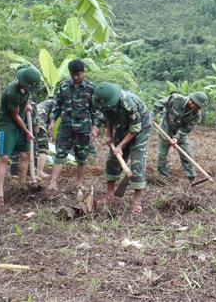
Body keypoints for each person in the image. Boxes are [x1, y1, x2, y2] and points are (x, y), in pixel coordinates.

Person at [92, 82, 152, 212]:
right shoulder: (101, 102)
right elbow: (107, 118)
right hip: (121, 126)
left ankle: (137, 202)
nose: (105, 107)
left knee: (137, 162)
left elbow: (135, 129)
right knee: (113, 160)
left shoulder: (127, 102)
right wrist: (109, 135)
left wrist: (120, 146)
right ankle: (109, 195)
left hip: (141, 128)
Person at [48, 59, 100, 199]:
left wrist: (95, 127)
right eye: (73, 75)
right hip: (65, 128)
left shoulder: (91, 87)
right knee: (60, 155)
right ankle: (53, 183)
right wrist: (52, 120)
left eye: (78, 74)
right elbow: (58, 105)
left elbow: (95, 110)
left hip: (83, 130)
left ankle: (79, 184)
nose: (75, 77)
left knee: (82, 158)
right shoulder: (64, 86)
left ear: (83, 72)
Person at [0, 65, 41, 206]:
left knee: (26, 154)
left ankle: (22, 184)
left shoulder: (25, 87)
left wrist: (27, 105)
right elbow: (15, 116)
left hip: (19, 125)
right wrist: (27, 131)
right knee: (4, 157)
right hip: (7, 126)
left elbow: (25, 98)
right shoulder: (11, 93)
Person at [152, 91, 208, 182]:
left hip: (180, 133)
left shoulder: (196, 115)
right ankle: (163, 177)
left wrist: (176, 137)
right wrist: (152, 116)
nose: (199, 109)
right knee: (162, 156)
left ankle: (192, 178)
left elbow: (186, 129)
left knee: (187, 155)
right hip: (166, 129)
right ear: (191, 102)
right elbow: (158, 104)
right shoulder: (176, 99)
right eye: (198, 106)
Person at [36, 95, 57, 178]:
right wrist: (50, 132)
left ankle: (32, 171)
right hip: (40, 125)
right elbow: (52, 118)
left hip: (30, 125)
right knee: (43, 149)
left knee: (33, 149)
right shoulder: (53, 103)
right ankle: (39, 172)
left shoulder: (41, 104)